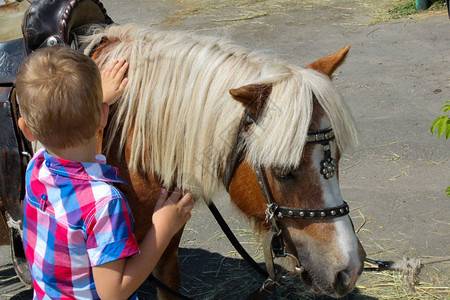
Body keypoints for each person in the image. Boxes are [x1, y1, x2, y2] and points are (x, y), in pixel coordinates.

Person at [15, 45, 194, 299]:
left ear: (26, 130)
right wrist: (162, 229)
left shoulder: (36, 167)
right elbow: (113, 292)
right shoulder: (104, 204)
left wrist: (99, 101)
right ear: (104, 116)